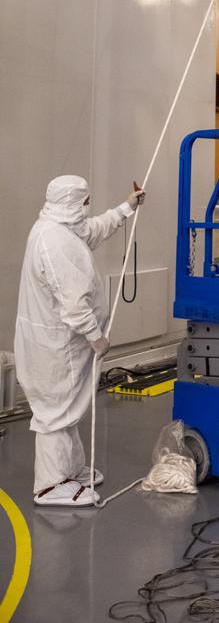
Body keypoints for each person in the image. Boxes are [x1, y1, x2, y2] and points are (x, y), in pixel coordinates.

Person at [14, 175, 145, 507]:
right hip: (55, 346)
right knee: (55, 411)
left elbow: (93, 230)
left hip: (62, 343)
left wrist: (126, 208)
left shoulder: (62, 227)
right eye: (85, 202)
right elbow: (74, 303)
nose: (88, 207)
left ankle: (69, 470)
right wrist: (96, 338)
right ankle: (49, 485)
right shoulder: (53, 241)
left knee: (67, 406)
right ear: (72, 202)